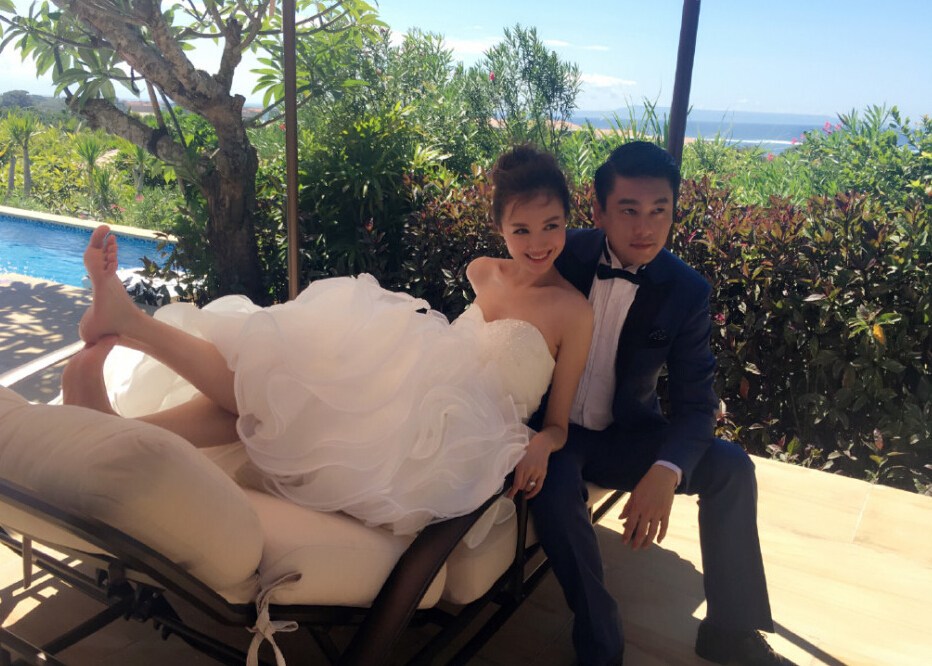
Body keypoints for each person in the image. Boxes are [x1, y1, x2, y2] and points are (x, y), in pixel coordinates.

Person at [64, 144, 593, 536]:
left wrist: (541, 445)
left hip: (459, 433)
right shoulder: (482, 271)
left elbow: (557, 425)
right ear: (499, 227)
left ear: (568, 221)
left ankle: (130, 336)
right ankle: (120, 417)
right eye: (521, 230)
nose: (539, 243)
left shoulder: (573, 312)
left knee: (282, 400)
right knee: (282, 388)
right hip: (415, 378)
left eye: (552, 226)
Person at [528, 141, 794, 665]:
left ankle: (729, 631)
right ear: (599, 210)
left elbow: (697, 404)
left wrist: (667, 470)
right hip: (554, 433)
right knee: (554, 489)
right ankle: (601, 644)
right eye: (628, 210)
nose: (645, 228)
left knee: (732, 468)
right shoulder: (560, 254)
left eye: (659, 211)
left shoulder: (685, 290)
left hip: (626, 435)